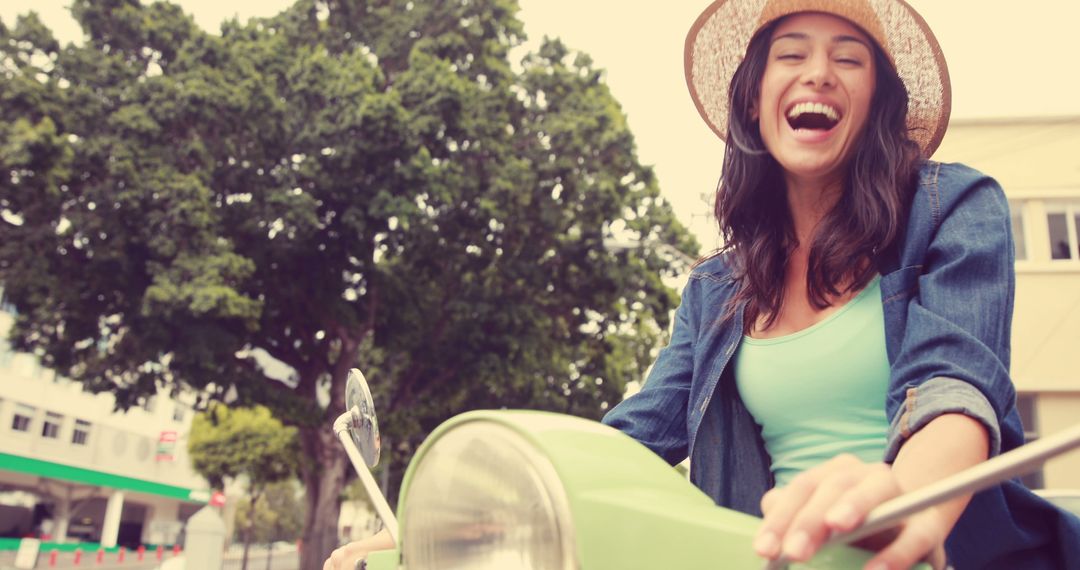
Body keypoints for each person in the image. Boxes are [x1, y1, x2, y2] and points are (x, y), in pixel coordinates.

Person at [603, 0, 1080, 568]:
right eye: (791, 54)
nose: (819, 72)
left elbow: (954, 382)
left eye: (849, 59)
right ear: (754, 100)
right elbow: (630, 441)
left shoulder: (954, 206)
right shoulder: (714, 290)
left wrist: (909, 504)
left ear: (876, 103)